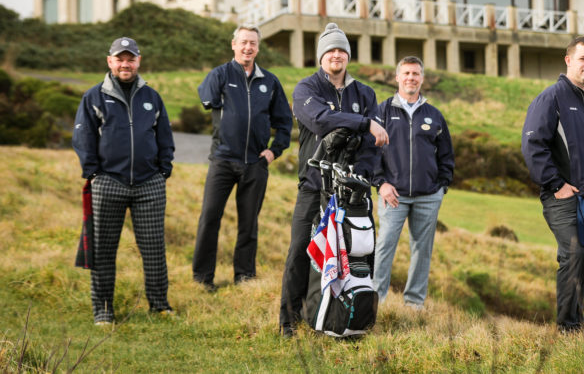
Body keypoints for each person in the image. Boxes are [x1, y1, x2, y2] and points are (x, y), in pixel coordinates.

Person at [278, 22, 388, 337]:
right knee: (301, 249)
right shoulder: (306, 89)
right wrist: (364, 122)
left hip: (352, 192)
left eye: (341, 50)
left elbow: (372, 145)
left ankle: (346, 318)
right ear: (321, 56)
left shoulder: (365, 93)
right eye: (330, 50)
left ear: (347, 56)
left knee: (359, 255)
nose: (336, 55)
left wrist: (362, 175)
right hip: (314, 186)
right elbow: (320, 121)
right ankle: (289, 319)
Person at [72, 37, 175, 325]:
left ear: (138, 62)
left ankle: (159, 306)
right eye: (120, 59)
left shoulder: (152, 97)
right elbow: (82, 139)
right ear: (110, 62)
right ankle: (103, 309)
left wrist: (163, 170)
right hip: (108, 183)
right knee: (103, 250)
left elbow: (164, 137)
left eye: (130, 59)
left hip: (149, 185)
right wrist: (93, 173)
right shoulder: (93, 97)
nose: (125, 64)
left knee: (154, 250)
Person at [521, 36, 584, 333]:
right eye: (582, 59)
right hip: (563, 198)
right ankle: (567, 328)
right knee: (574, 254)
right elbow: (533, 145)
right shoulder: (551, 98)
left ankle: (575, 316)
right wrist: (556, 184)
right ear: (568, 60)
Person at [192, 25, 293, 289]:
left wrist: (274, 151)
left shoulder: (269, 82)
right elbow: (206, 99)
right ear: (233, 44)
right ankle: (202, 278)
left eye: (253, 43)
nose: (248, 47)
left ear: (258, 48)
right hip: (223, 160)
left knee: (249, 223)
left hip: (255, 163)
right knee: (209, 217)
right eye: (244, 42)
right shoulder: (220, 75)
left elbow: (284, 122)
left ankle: (244, 276)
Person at [372, 56, 454, 309]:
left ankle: (414, 306)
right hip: (392, 194)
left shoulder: (434, 115)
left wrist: (441, 187)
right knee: (384, 246)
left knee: (422, 251)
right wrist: (381, 183)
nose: (411, 78)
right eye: (406, 73)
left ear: (422, 78)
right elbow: (370, 152)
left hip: (427, 196)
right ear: (397, 77)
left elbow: (446, 155)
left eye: (416, 74)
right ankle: (376, 301)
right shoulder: (382, 111)